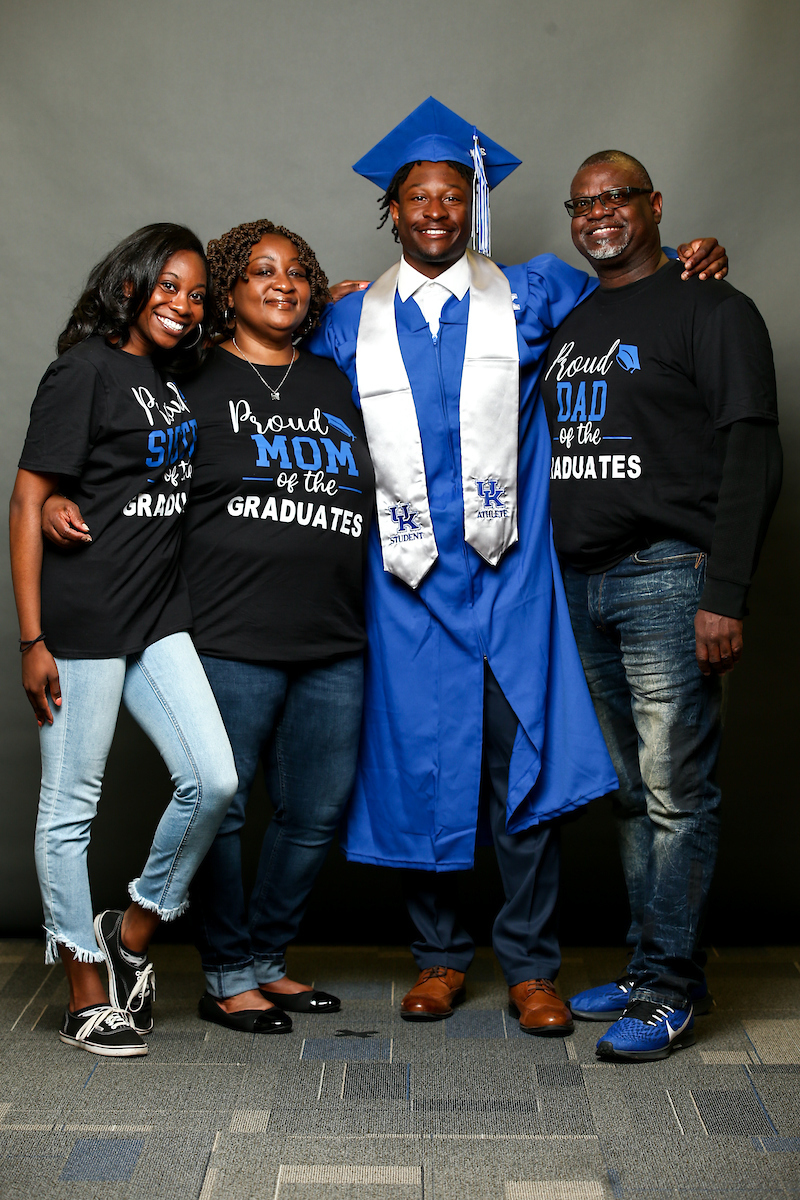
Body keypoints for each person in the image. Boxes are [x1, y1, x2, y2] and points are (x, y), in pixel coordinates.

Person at [309, 98, 728, 1034]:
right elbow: (267, 374)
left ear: (473, 205)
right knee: (427, 764)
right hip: (407, 589)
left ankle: (532, 965)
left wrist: (694, 263)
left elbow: (634, 295)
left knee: (523, 775)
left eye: (452, 197)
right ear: (393, 210)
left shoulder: (535, 292)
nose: (435, 213)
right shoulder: (350, 324)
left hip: (512, 582)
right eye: (418, 198)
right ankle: (439, 959)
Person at [42, 220, 375, 1034]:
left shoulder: (335, 379)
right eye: (260, 271)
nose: (282, 282)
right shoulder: (188, 372)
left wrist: (361, 304)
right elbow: (120, 441)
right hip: (222, 627)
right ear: (226, 294)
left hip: (332, 630)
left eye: (297, 273)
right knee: (221, 808)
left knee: (315, 813)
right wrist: (56, 494)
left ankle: (264, 960)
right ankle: (226, 974)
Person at [539, 151, 782, 1061]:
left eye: (618, 198)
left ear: (654, 206)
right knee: (635, 794)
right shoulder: (575, 319)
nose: (600, 213)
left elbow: (752, 452)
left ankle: (672, 990)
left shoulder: (713, 307)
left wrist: (726, 591)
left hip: (670, 576)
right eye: (584, 203)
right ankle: (650, 968)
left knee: (679, 792)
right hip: (584, 584)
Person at [9, 224, 239, 1057]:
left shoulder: (170, 375)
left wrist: (347, 302)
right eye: (167, 286)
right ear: (132, 283)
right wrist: (33, 637)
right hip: (84, 617)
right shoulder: (84, 370)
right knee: (70, 808)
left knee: (213, 780)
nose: (182, 304)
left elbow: (266, 333)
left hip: (156, 614)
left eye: (195, 293)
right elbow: (27, 499)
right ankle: (83, 993)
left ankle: (128, 929)